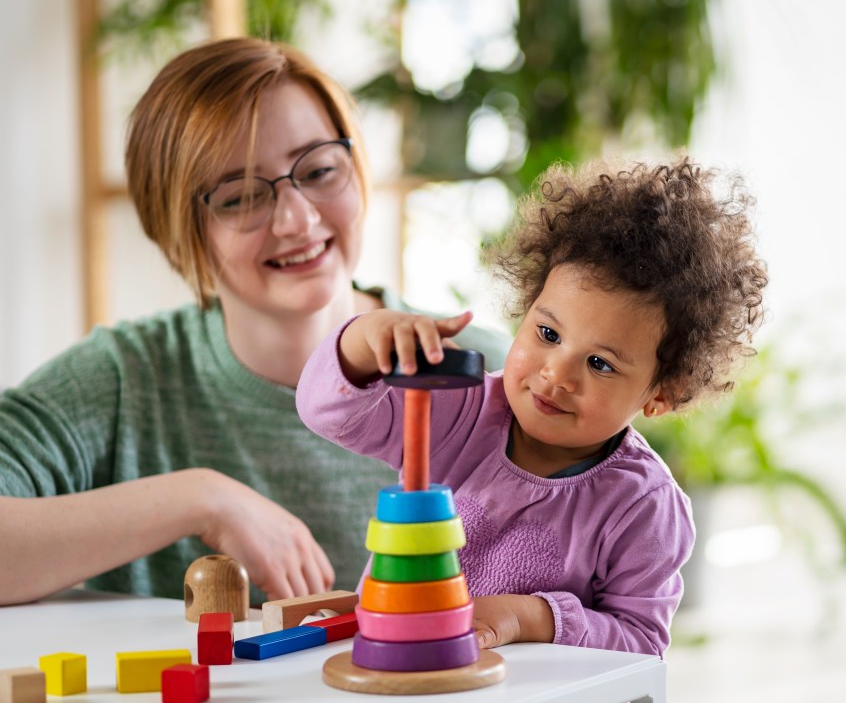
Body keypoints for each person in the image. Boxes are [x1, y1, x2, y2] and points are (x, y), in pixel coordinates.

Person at [292, 155, 769, 703]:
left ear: (659, 396)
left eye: (599, 364)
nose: (555, 374)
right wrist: (362, 346)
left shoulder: (643, 505)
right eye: (546, 334)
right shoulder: (460, 414)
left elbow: (639, 645)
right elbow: (329, 411)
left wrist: (533, 618)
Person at [0, 37, 508, 609]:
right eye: (241, 198)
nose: (297, 219)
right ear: (177, 232)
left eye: (318, 169)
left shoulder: (488, 372)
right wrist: (201, 499)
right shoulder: (122, 382)